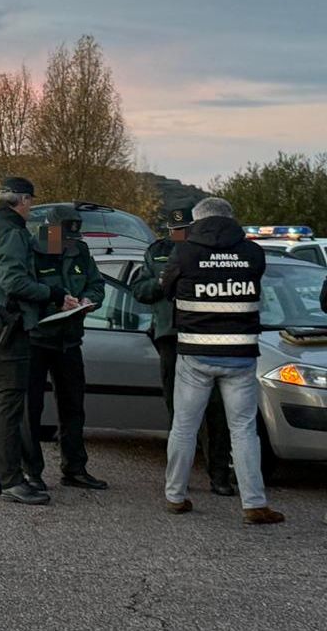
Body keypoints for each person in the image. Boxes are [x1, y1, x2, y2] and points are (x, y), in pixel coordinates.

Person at [160, 197, 284, 524]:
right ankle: (254, 504)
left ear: (197, 220)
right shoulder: (253, 253)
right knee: (243, 430)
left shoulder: (184, 253)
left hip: (195, 353)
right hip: (240, 355)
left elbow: (166, 289)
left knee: (184, 427)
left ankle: (175, 496)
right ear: (231, 218)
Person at [0, 177, 68, 506]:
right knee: (10, 405)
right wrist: (53, 293)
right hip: (10, 326)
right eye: (30, 202)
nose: (30, 208)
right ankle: (11, 478)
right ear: (22, 201)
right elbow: (13, 281)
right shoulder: (12, 232)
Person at [131, 203, 235, 497]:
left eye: (184, 229)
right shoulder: (156, 252)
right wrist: (162, 281)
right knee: (179, 411)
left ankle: (219, 475)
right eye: (174, 230)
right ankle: (180, 476)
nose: (179, 235)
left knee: (215, 410)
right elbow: (139, 291)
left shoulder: (210, 250)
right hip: (171, 338)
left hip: (206, 336)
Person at [22, 208, 108, 491]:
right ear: (50, 230)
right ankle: (31, 471)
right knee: (31, 409)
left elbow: (97, 284)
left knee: (73, 407)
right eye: (64, 237)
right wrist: (55, 301)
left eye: (72, 237)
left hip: (69, 340)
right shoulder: (31, 250)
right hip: (37, 339)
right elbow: (24, 289)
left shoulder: (80, 251)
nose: (69, 242)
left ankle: (75, 468)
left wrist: (87, 300)